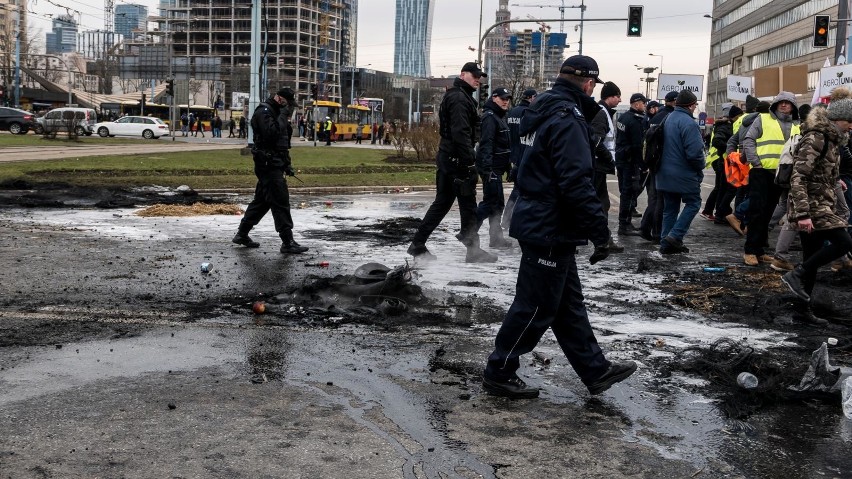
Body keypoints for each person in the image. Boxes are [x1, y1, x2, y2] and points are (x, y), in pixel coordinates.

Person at [481, 55, 636, 399]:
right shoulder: (567, 117)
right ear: (589, 83)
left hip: (541, 217)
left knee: (567, 306)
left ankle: (595, 371)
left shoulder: (542, 108)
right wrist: (601, 233)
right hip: (550, 223)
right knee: (535, 306)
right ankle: (499, 370)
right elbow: (575, 181)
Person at [407, 62, 497, 263]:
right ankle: (472, 249)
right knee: (468, 204)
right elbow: (460, 133)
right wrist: (469, 163)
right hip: (456, 159)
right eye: (474, 76)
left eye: (479, 77)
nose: (477, 80)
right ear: (463, 74)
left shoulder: (459, 96)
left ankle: (418, 244)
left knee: (443, 203)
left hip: (449, 157)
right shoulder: (459, 98)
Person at [782, 90, 852, 325]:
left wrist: (835, 180)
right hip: (810, 206)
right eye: (848, 121)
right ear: (836, 119)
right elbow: (798, 177)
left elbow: (821, 172)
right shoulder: (817, 138)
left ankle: (801, 312)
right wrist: (802, 214)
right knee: (844, 242)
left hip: (821, 203)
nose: (851, 126)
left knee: (811, 257)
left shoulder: (832, 140)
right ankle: (796, 273)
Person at [232, 87, 308, 255]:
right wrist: (282, 115)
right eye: (288, 105)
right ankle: (287, 242)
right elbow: (272, 134)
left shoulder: (276, 112)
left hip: (274, 163)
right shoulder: (264, 111)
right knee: (280, 200)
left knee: (262, 201)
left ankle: (242, 234)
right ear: (280, 99)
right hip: (267, 164)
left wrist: (287, 164)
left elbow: (282, 144)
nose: (290, 109)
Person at [741, 92, 800, 266]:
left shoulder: (797, 125)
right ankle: (750, 251)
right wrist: (756, 163)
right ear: (774, 105)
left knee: (767, 213)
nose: (783, 105)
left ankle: (759, 251)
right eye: (780, 102)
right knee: (757, 211)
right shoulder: (763, 119)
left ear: (793, 107)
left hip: (782, 174)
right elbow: (748, 140)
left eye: (787, 103)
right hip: (762, 171)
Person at [655, 90, 706, 254]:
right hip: (683, 173)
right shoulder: (689, 123)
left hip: (664, 173)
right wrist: (700, 168)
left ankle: (665, 243)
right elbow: (695, 153)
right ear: (691, 106)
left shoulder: (668, 118)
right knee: (694, 203)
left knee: (670, 208)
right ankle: (675, 236)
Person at [475, 87, 513, 248]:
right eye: (503, 98)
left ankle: (496, 238)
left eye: (507, 99)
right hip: (491, 170)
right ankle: (468, 231)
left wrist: (507, 167)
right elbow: (487, 144)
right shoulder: (490, 118)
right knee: (490, 203)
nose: (506, 101)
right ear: (494, 98)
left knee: (497, 204)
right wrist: (488, 169)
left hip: (496, 169)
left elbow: (502, 146)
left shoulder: (499, 117)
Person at [588, 81, 624, 253]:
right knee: (598, 204)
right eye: (617, 96)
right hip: (598, 165)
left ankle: (604, 239)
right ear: (609, 97)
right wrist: (609, 158)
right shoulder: (601, 113)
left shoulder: (604, 112)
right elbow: (596, 140)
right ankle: (603, 240)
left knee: (601, 203)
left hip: (599, 165)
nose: (619, 99)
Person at [639, 91, 678, 242]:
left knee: (655, 198)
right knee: (661, 199)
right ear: (674, 102)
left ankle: (645, 227)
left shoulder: (656, 116)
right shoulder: (671, 117)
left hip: (653, 161)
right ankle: (656, 232)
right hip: (664, 161)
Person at [700, 105, 743, 221]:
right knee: (726, 188)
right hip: (722, 160)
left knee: (721, 188)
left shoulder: (726, 126)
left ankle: (715, 211)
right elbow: (717, 141)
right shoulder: (725, 126)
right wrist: (731, 148)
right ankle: (719, 212)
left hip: (722, 160)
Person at [502, 88, 536, 229]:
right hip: (523, 154)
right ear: (531, 98)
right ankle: (510, 220)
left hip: (513, 153)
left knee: (517, 188)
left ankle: (507, 219)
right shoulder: (527, 112)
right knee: (520, 189)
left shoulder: (513, 111)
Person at [614, 93, 646, 235]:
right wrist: (643, 165)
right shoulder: (635, 120)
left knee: (625, 191)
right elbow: (637, 145)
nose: (645, 106)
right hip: (630, 161)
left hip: (621, 159)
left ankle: (625, 223)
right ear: (637, 103)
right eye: (643, 103)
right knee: (629, 192)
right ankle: (624, 225)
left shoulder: (623, 117)